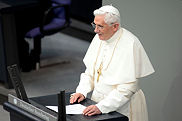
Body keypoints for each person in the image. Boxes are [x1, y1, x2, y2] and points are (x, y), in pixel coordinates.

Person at [70, 5, 155, 121]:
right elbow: (90, 72)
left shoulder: (130, 44)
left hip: (122, 107)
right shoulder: (99, 38)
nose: (95, 30)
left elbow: (127, 89)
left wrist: (102, 107)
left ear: (115, 26)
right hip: (97, 103)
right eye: (94, 25)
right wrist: (82, 91)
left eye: (100, 26)